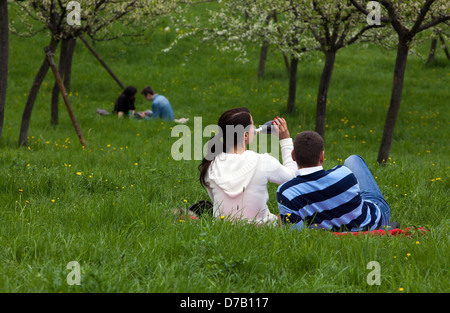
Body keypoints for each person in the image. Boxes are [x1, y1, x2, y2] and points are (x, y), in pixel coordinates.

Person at [277, 130, 395, 232]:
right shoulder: (344, 173)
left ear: (293, 156)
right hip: (374, 221)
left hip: (337, 226)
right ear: (322, 156)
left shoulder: (286, 192)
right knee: (352, 159)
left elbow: (295, 231)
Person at [198, 107, 298, 226]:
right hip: (262, 227)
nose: (255, 128)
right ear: (245, 136)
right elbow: (293, 177)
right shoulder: (262, 161)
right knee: (289, 219)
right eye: (252, 125)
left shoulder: (211, 165)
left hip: (222, 227)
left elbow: (218, 203)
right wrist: (285, 140)